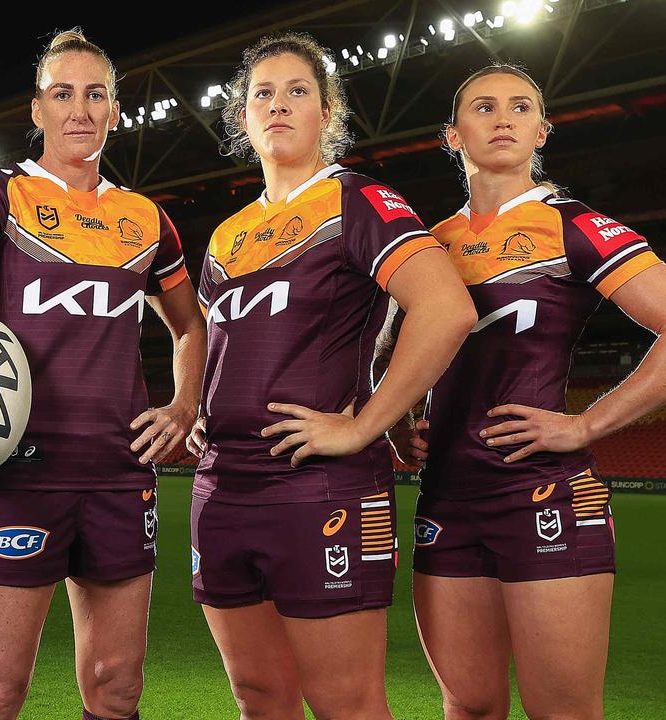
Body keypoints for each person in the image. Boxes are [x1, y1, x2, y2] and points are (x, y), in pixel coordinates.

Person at [0, 28, 206, 720]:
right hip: (20, 475)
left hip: (119, 473)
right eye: (62, 93)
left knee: (118, 687)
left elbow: (191, 324)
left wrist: (184, 404)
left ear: (116, 111)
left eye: (96, 94)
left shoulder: (145, 217)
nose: (80, 109)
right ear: (35, 111)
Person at [394, 64, 666, 720]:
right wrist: (397, 418)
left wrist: (585, 425)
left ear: (542, 131)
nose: (502, 117)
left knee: (562, 711)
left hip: (543, 494)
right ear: (452, 136)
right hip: (445, 499)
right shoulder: (425, 245)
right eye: (483, 107)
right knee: (470, 706)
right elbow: (387, 352)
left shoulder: (574, 226)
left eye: (520, 107)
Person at [183, 33, 475, 720]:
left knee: (345, 703)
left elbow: (445, 309)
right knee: (258, 697)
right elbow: (209, 342)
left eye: (297, 91)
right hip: (221, 489)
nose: (278, 104)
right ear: (242, 118)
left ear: (326, 111)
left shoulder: (357, 199)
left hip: (320, 487)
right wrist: (191, 405)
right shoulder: (227, 235)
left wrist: (364, 426)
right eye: (263, 93)